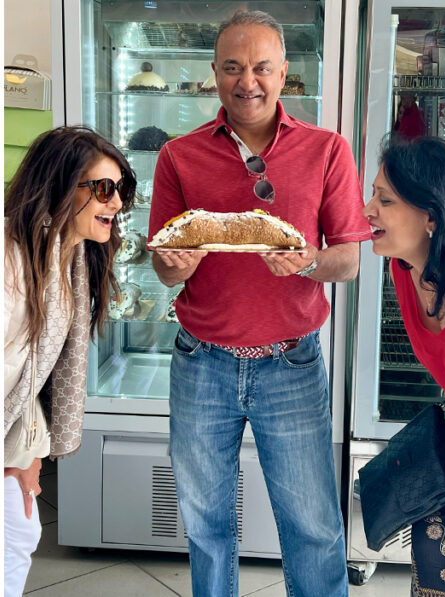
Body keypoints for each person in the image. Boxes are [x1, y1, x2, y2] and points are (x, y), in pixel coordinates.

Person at [147, 10, 371, 596]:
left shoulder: (327, 150)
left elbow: (347, 260)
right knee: (205, 524)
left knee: (314, 526)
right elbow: (163, 264)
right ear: (214, 74)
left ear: (284, 73)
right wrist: (173, 265)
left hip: (291, 365)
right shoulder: (178, 157)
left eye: (261, 67)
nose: (248, 81)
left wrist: (308, 261)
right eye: (232, 67)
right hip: (201, 362)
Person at [3, 125, 134, 596]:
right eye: (103, 188)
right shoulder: (13, 267)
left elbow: (30, 379)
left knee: (21, 536)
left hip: (13, 440)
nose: (117, 203)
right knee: (16, 539)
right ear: (58, 187)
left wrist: (28, 451)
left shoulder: (68, 260)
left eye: (121, 189)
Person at [363, 136, 445, 594]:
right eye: (373, 195)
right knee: (432, 557)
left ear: (431, 216)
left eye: (385, 200)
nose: (368, 209)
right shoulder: (404, 271)